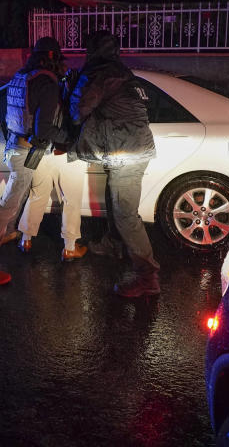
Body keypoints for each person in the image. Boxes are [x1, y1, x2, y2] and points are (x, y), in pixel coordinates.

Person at [0, 36, 72, 285]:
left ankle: (11, 232)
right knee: (6, 208)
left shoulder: (21, 77)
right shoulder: (46, 82)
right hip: (26, 153)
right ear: (51, 57)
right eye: (57, 58)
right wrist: (68, 136)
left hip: (15, 147)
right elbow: (43, 130)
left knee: (31, 191)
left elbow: (10, 118)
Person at [69, 30, 160, 297]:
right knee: (114, 199)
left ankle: (148, 275)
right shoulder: (124, 73)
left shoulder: (100, 74)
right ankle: (113, 243)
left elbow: (79, 110)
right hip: (129, 148)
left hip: (126, 153)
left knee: (124, 213)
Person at [13, 64, 88, 261]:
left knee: (37, 195)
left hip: (41, 151)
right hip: (67, 152)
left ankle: (26, 240)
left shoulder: (41, 87)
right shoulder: (78, 93)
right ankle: (70, 248)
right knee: (71, 200)